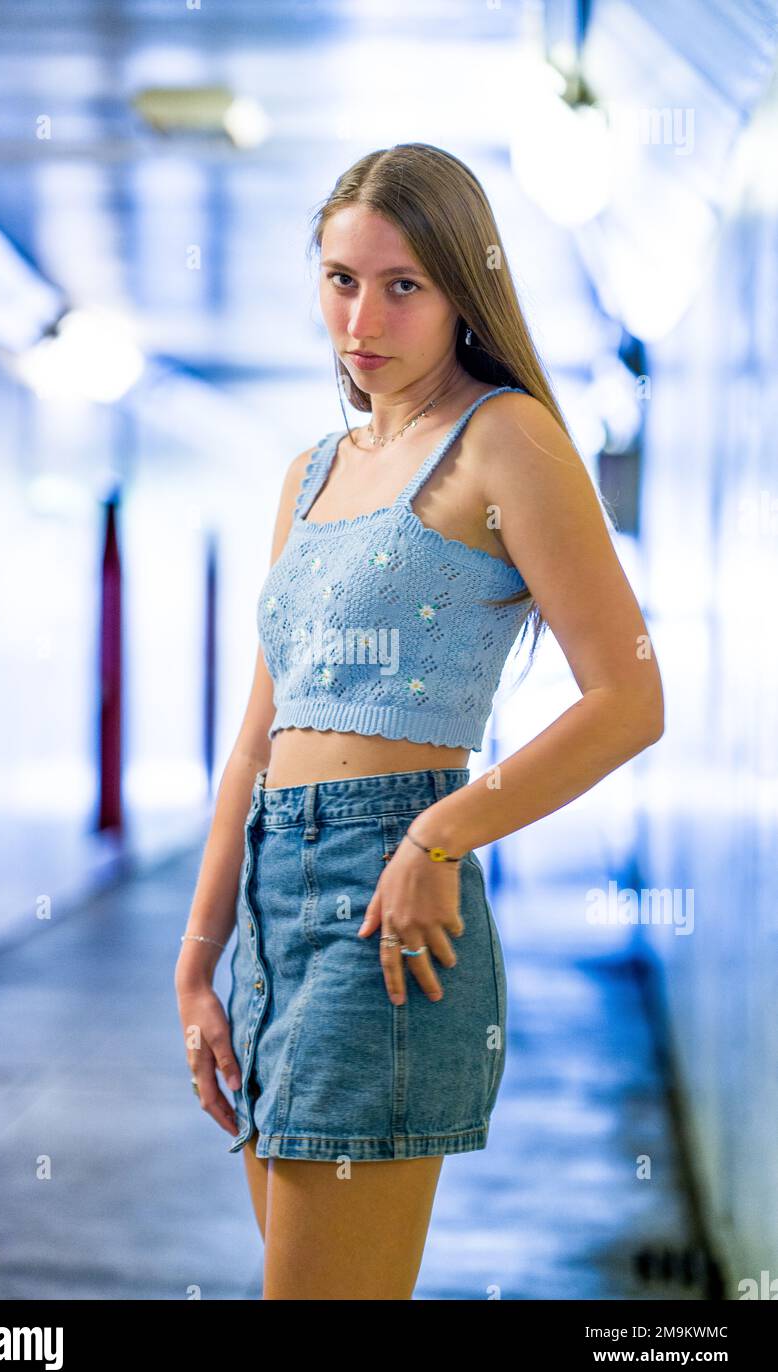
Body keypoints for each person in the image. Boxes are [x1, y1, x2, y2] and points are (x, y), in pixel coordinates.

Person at [174, 142, 664, 1300]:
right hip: (271, 898)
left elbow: (629, 698)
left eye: (403, 285)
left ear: (461, 292)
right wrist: (200, 961)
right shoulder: (306, 472)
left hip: (385, 892)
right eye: (341, 279)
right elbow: (256, 739)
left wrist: (437, 834)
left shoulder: (507, 438)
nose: (364, 315)